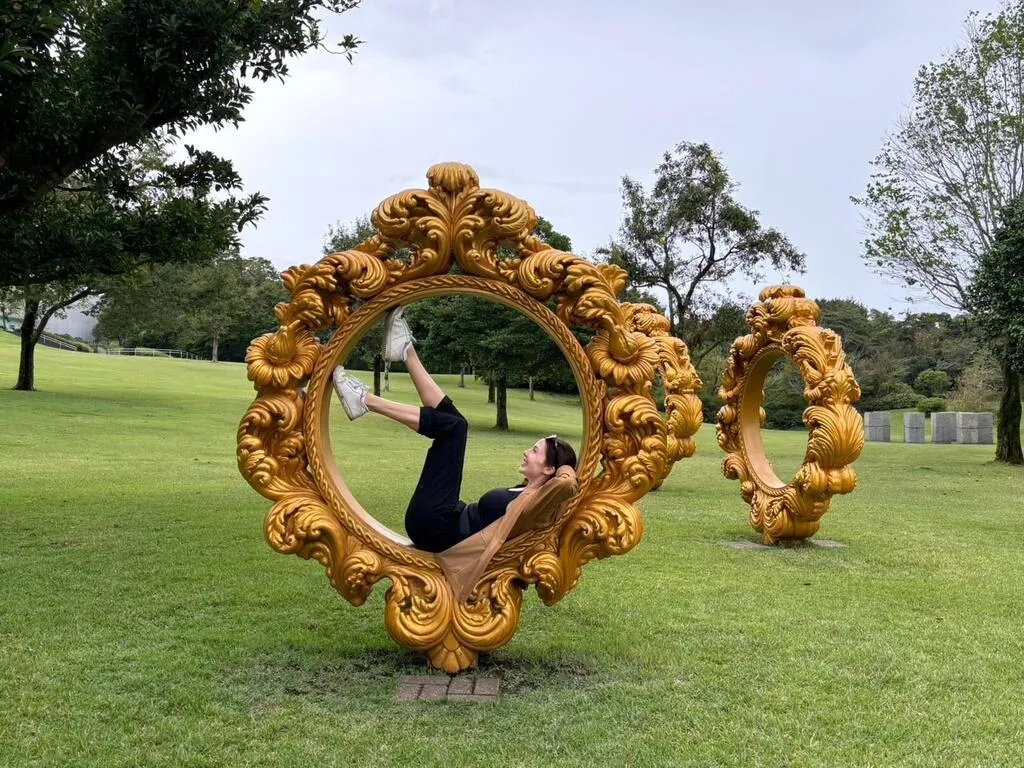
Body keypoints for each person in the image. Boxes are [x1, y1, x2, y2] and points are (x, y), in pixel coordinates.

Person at [331, 306, 577, 553]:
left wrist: (563, 466)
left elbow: (567, 482)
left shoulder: (535, 505)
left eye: (535, 451)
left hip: (435, 528)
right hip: (441, 520)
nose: (526, 451)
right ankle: (405, 351)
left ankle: (365, 400)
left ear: (550, 468)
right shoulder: (526, 491)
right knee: (454, 421)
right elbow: (560, 477)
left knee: (455, 428)